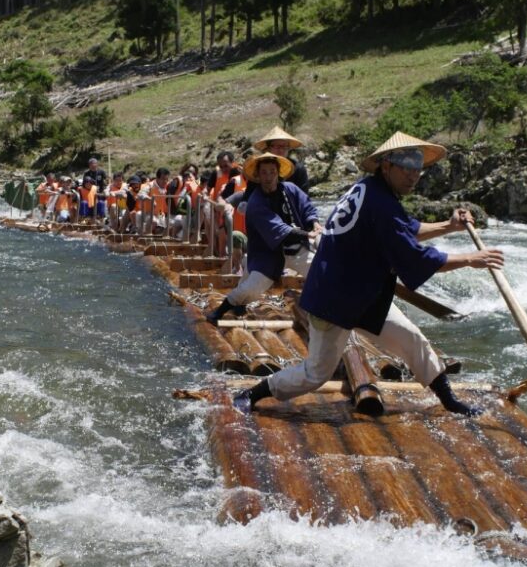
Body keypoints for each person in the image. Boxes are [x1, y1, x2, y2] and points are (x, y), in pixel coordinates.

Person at [233, 132, 505, 417]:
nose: (414, 173)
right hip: (334, 298)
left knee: (412, 338)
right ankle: (253, 393)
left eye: (418, 166)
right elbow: (414, 256)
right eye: (406, 164)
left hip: (363, 293)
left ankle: (450, 402)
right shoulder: (380, 202)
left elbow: (406, 227)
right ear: (386, 165)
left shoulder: (372, 190)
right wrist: (471, 259)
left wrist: (448, 226)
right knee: (317, 373)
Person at [205, 152, 319, 324]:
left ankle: (321, 313)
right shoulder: (256, 202)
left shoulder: (291, 189)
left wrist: (315, 223)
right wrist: (307, 234)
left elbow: (307, 206)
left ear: (278, 173)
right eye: (264, 172)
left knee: (321, 272)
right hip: (269, 253)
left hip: (297, 248)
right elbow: (277, 229)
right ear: (257, 175)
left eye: (272, 172)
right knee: (251, 288)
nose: (268, 177)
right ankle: (220, 311)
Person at [254, 125, 310, 194]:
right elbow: (247, 197)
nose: (281, 150)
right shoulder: (259, 167)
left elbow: (304, 198)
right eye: (277, 146)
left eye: (284, 146)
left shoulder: (298, 169)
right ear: (268, 148)